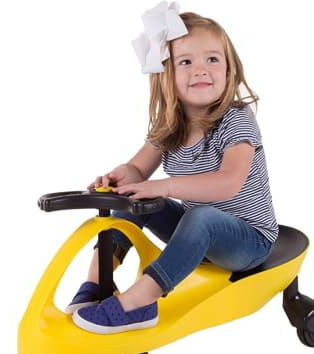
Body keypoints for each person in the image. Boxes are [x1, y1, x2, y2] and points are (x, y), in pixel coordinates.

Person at [68, 2, 279, 334]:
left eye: (212, 59)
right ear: (167, 75)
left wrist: (164, 186)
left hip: (248, 241)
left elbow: (229, 183)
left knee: (201, 217)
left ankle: (141, 302)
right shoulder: (170, 126)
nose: (201, 70)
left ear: (229, 70)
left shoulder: (237, 120)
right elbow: (138, 170)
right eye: (186, 62)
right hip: (198, 232)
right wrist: (121, 177)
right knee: (131, 199)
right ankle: (96, 284)